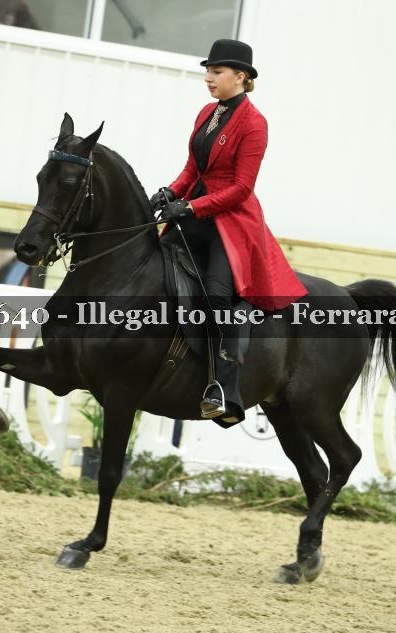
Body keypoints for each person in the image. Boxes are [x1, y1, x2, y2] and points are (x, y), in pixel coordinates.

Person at [151, 39, 307, 424]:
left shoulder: (254, 123)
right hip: (193, 210)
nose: (208, 77)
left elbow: (241, 188)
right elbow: (193, 170)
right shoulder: (207, 112)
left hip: (229, 223)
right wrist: (171, 191)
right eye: (208, 71)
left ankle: (223, 387)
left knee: (216, 297)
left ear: (240, 76)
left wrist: (191, 206)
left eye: (216, 72)